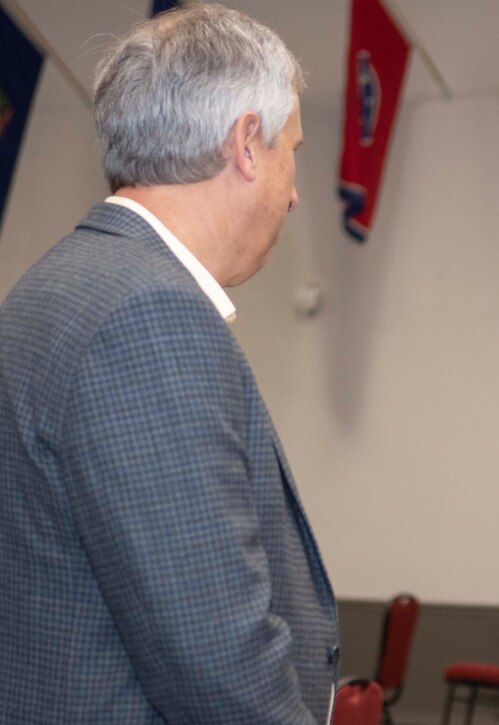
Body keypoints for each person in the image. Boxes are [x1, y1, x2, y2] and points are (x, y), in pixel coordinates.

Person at [0, 5, 338, 723]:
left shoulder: (61, 283)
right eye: (293, 151)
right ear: (247, 143)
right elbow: (218, 657)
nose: (294, 190)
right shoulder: (148, 315)